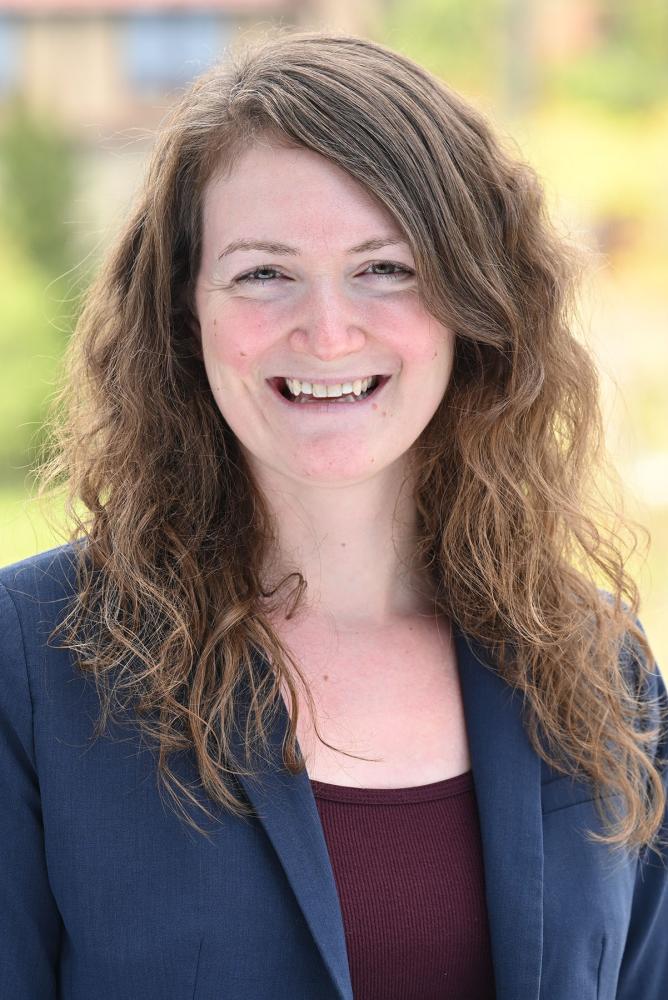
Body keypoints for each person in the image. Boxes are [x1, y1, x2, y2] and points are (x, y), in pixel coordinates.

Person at [0, 30, 666, 1000]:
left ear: (470, 303)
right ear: (186, 311)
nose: (325, 329)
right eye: (263, 273)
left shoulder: (595, 670)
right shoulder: (33, 661)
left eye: (384, 268)